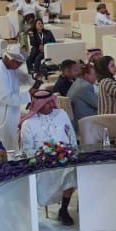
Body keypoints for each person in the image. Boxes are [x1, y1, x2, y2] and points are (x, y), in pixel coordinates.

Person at [18, 90, 77, 223]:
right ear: (38, 105)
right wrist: (43, 157)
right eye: (47, 103)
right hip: (43, 163)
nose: (51, 105)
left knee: (72, 172)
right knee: (44, 176)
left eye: (52, 101)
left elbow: (71, 135)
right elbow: (27, 149)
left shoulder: (61, 114)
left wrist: (72, 150)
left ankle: (64, 210)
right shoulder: (28, 123)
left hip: (65, 158)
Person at [0, 46, 32, 150]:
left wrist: (34, 78)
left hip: (9, 112)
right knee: (2, 144)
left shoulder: (11, 67)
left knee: (11, 141)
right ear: (9, 59)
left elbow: (23, 78)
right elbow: (7, 98)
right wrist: (29, 95)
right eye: (17, 63)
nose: (18, 66)